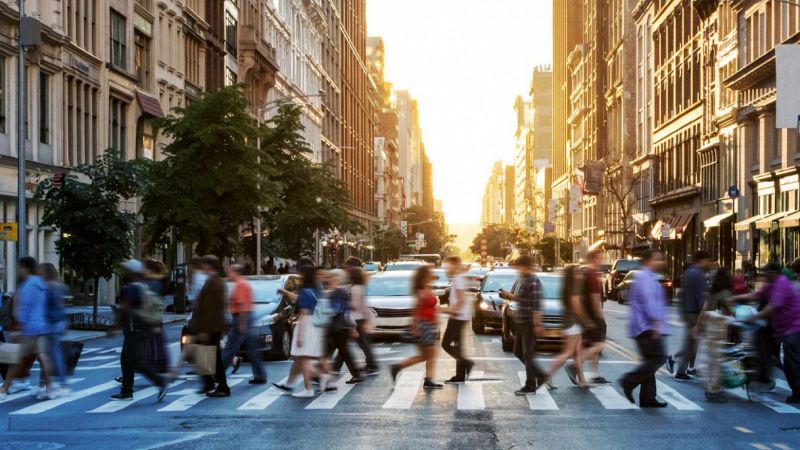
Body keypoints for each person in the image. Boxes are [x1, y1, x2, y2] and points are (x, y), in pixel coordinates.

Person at [731, 262, 800, 403]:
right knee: (788, 362)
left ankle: (798, 394)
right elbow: (757, 295)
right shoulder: (772, 284)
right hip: (784, 329)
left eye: (766, 273)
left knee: (792, 362)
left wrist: (753, 318)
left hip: (793, 326)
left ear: (774, 273)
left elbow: (772, 307)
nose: (764, 276)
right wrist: (738, 298)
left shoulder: (781, 283)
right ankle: (796, 392)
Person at [0, 257, 59, 400]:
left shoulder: (27, 285)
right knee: (43, 358)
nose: (19, 270)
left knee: (14, 360)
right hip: (41, 326)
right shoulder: (42, 284)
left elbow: (22, 307)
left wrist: (17, 327)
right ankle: (50, 388)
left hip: (27, 328)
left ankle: (4, 389)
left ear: (25, 268)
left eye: (20, 267)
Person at [110, 260, 169, 402]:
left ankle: (160, 382)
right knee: (126, 360)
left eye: (125, 269)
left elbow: (125, 308)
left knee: (135, 360)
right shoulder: (141, 285)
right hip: (139, 327)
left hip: (134, 328)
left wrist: (115, 326)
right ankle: (126, 391)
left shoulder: (132, 287)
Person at [619, 249, 670, 407]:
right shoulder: (646, 278)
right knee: (658, 358)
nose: (660, 262)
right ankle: (629, 381)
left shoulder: (646, 277)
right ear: (648, 261)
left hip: (642, 326)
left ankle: (647, 397)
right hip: (646, 327)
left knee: (650, 361)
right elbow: (649, 303)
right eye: (657, 259)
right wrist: (656, 324)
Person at [273, 264, 325, 397]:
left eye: (300, 274)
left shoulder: (306, 291)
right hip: (315, 324)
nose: (299, 277)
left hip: (306, 325)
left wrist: (301, 335)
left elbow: (304, 313)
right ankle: (289, 383)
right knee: (300, 357)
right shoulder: (315, 289)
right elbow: (300, 299)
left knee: (304, 358)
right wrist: (285, 292)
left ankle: (309, 388)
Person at [499, 255, 547, 396]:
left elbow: (536, 305)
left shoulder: (533, 281)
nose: (517, 270)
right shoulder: (524, 279)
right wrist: (508, 296)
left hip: (530, 324)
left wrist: (537, 324)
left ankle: (530, 385)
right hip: (522, 322)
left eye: (518, 267)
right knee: (518, 351)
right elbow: (522, 298)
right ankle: (539, 375)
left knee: (528, 354)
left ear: (525, 267)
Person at [390, 266, 443, 390]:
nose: (432, 275)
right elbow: (417, 309)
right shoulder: (421, 290)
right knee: (429, 354)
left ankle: (399, 368)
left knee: (427, 354)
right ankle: (426, 379)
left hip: (429, 324)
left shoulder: (426, 287)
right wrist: (416, 325)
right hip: (424, 325)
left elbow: (430, 307)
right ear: (425, 275)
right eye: (430, 273)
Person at [542, 265, 590, 389]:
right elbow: (576, 307)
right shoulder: (573, 288)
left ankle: (582, 380)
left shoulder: (568, 287)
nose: (580, 274)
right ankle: (547, 376)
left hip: (572, 323)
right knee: (568, 352)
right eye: (577, 273)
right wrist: (586, 320)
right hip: (572, 323)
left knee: (577, 353)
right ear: (572, 275)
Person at [188, 255, 229, 397]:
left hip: (210, 327)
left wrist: (204, 330)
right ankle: (209, 383)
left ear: (209, 266)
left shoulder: (213, 282)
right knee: (207, 355)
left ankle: (221, 386)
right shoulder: (215, 281)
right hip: (213, 326)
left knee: (213, 357)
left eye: (204, 264)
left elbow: (209, 309)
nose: (202, 267)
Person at [667, 250, 712, 381]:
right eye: (707, 260)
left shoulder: (690, 272)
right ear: (702, 260)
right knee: (691, 343)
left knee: (692, 342)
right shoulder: (697, 274)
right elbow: (700, 297)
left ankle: (680, 365)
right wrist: (701, 319)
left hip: (689, 311)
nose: (709, 263)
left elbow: (683, 294)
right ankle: (680, 369)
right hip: (694, 313)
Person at [221, 264, 267, 384]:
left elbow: (241, 304)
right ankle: (260, 375)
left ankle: (218, 374)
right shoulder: (243, 283)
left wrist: (241, 323)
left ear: (236, 272)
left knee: (230, 348)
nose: (228, 273)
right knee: (252, 349)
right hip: (246, 317)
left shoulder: (240, 285)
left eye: (230, 271)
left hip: (241, 317)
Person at [573, 249, 609, 385]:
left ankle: (594, 374)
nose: (602, 261)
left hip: (585, 315)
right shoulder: (593, 275)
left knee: (592, 344)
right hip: (594, 316)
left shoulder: (586, 273)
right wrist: (599, 316)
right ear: (594, 259)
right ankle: (575, 365)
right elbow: (595, 298)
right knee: (599, 345)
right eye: (600, 258)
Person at [334, 266, 377, 376]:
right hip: (359, 319)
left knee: (352, 344)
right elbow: (363, 305)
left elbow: (356, 305)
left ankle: (372, 365)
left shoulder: (354, 289)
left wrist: (345, 303)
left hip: (355, 319)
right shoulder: (361, 287)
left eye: (349, 275)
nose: (348, 276)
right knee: (347, 344)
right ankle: (335, 367)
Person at [441, 255, 474, 384]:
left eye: (448, 265)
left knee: (445, 344)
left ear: (455, 265)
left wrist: (448, 310)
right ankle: (460, 376)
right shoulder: (458, 278)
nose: (446, 268)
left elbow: (461, 299)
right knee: (458, 346)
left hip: (458, 317)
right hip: (459, 316)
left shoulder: (459, 279)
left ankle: (466, 363)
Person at [326, 269, 363, 384]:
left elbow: (338, 310)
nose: (328, 279)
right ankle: (318, 373)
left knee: (342, 352)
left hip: (338, 327)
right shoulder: (340, 292)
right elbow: (348, 310)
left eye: (330, 277)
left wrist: (324, 310)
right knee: (330, 351)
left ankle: (356, 374)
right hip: (338, 327)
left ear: (336, 279)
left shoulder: (337, 293)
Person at [39, 263, 68, 392]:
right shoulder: (58, 286)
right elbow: (61, 305)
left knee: (49, 355)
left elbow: (44, 306)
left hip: (50, 323)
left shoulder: (48, 287)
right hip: (57, 323)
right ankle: (46, 383)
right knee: (48, 354)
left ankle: (58, 383)